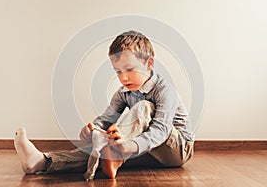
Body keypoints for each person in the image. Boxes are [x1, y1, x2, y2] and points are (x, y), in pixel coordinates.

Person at [14, 30, 194, 179]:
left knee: (145, 107)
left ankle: (116, 155)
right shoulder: (123, 92)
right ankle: (42, 162)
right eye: (118, 71)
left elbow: (161, 130)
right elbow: (107, 118)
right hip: (147, 148)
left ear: (149, 63)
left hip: (177, 149)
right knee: (101, 145)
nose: (123, 77)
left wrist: (130, 145)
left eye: (130, 69)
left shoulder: (164, 90)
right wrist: (93, 131)